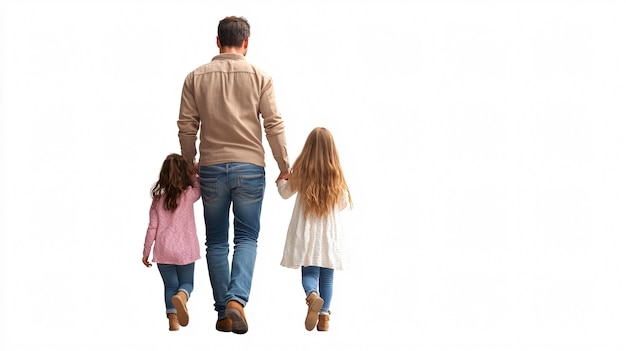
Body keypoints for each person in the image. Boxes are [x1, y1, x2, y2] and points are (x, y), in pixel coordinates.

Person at [177, 16, 289, 334]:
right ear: (246, 43)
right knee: (246, 237)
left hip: (211, 168)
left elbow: (187, 126)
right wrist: (284, 163)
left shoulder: (195, 77)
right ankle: (236, 300)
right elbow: (273, 123)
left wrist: (189, 162)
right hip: (250, 168)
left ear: (217, 41)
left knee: (216, 242)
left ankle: (223, 313)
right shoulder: (261, 76)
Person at [276, 127, 353, 331]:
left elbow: (285, 193)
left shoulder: (301, 172)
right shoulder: (336, 174)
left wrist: (281, 181)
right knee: (327, 277)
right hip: (329, 235)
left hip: (307, 232)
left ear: (308, 148)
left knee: (309, 271)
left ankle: (312, 296)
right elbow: (343, 203)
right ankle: (324, 318)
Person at [142, 153, 201, 331]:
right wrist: (193, 172)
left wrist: (146, 253)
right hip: (186, 250)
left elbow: (152, 228)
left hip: (163, 250)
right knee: (187, 284)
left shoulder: (157, 200)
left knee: (170, 286)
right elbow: (199, 185)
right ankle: (182, 297)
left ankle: (173, 321)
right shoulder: (189, 195)